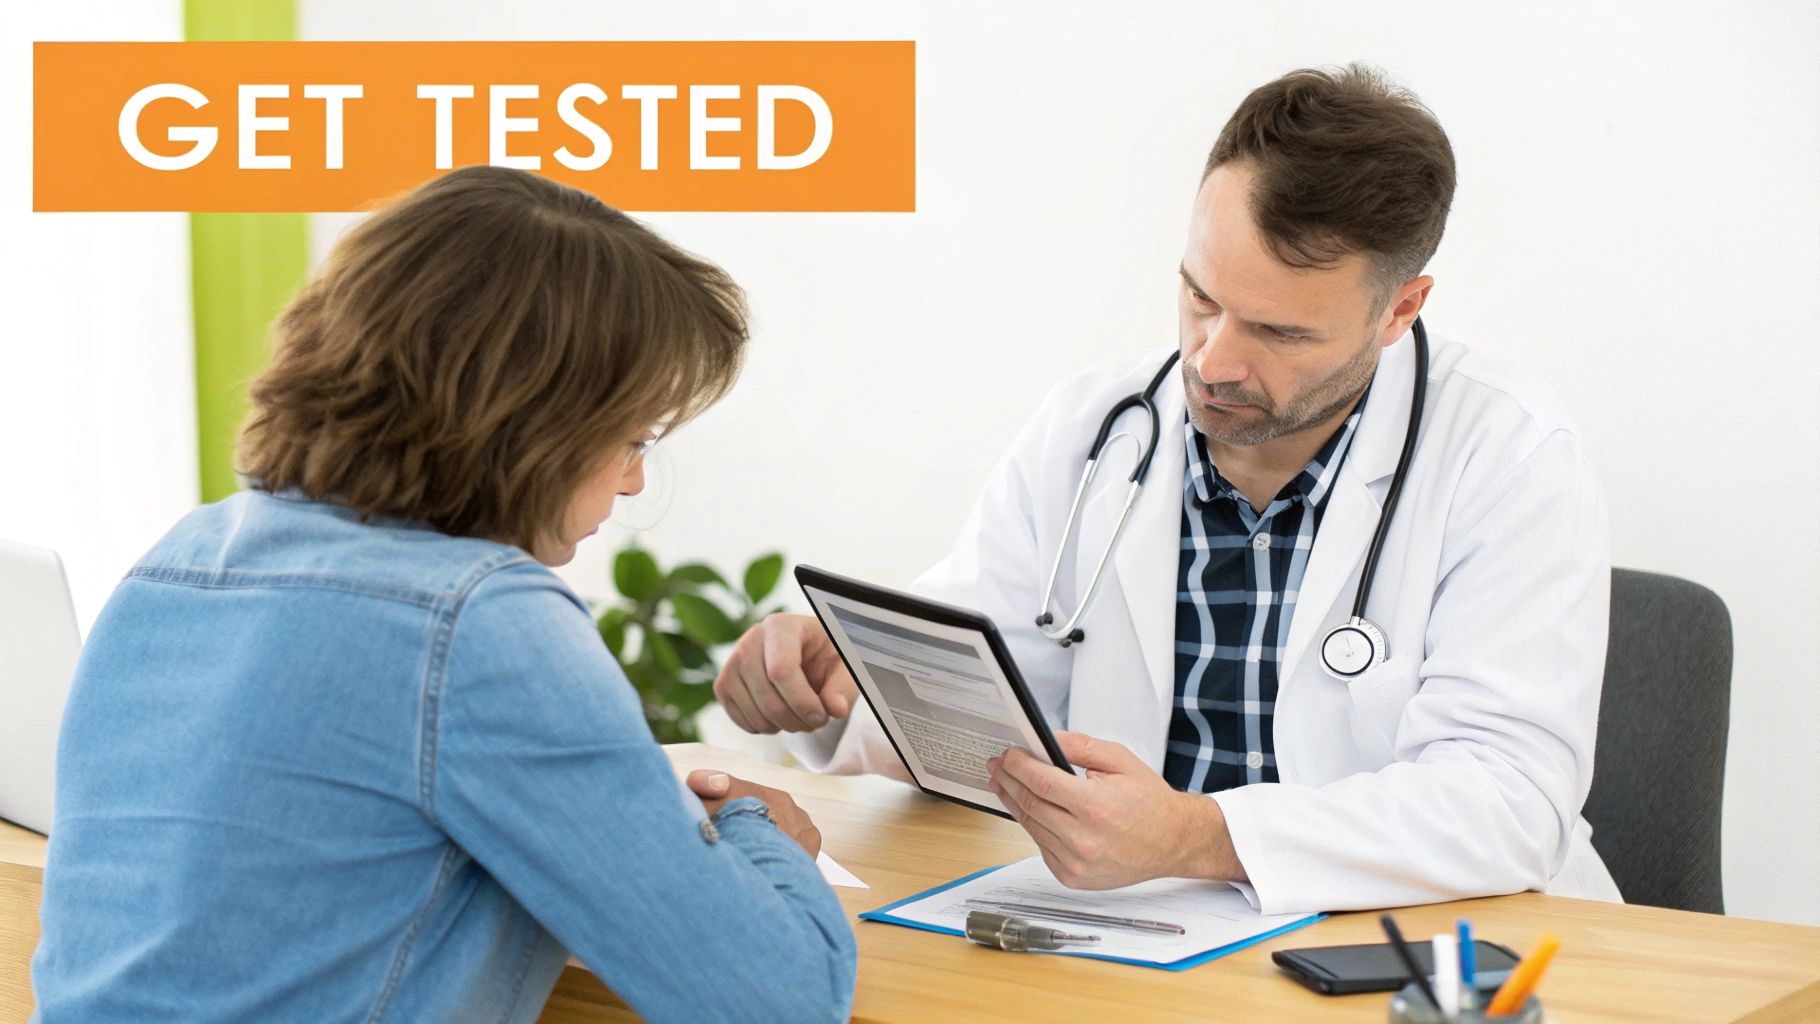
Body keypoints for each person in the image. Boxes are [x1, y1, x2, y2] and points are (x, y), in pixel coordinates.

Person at [714, 64, 1623, 916]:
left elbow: (1509, 799)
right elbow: (983, 694)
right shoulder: (1093, 430)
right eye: (1200, 297)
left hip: (1428, 946)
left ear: (1400, 310)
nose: (1213, 362)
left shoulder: (1506, 452)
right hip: (1141, 936)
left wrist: (1199, 836)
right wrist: (858, 677)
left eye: (1278, 332)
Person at [32, 166, 855, 1023]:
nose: (633, 482)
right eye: (634, 438)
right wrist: (762, 833)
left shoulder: (184, 557)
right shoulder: (478, 619)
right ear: (539, 422)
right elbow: (783, 1004)